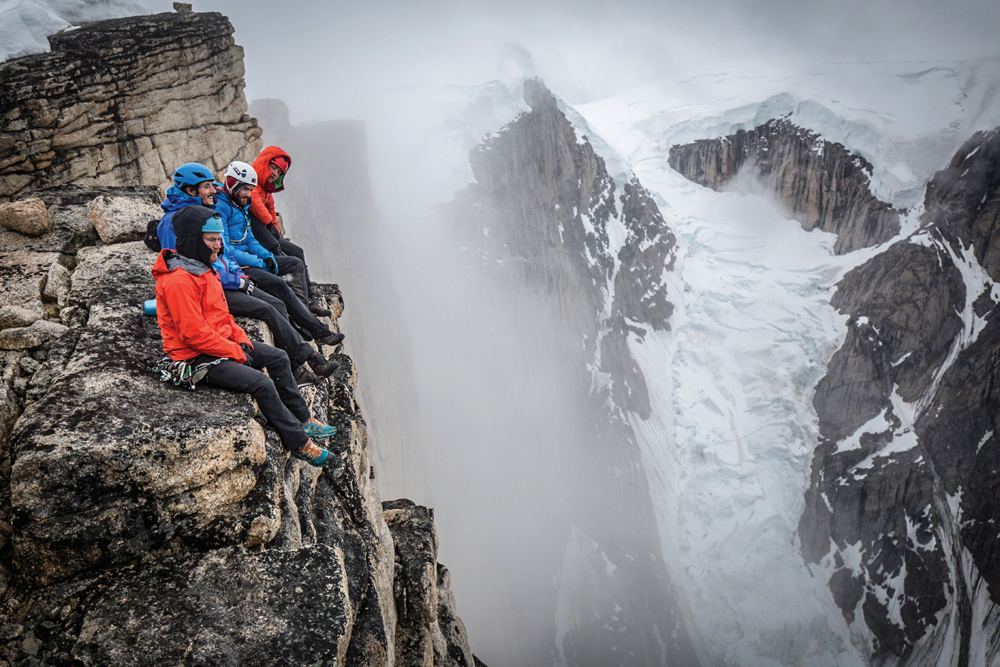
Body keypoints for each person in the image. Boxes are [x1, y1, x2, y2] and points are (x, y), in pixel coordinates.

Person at [152, 205, 336, 467]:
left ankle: (304, 420)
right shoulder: (179, 281)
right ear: (194, 239)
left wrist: (240, 339)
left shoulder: (203, 270)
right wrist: (235, 351)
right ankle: (301, 444)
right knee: (261, 384)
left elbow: (222, 315)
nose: (219, 245)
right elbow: (193, 334)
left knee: (278, 357)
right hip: (195, 358)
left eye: (219, 239)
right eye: (212, 240)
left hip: (219, 343)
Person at [157, 162, 339, 380]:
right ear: (190, 190)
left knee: (276, 302)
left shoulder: (204, 213)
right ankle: (300, 366)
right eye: (207, 186)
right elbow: (185, 266)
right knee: (269, 308)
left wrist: (240, 275)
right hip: (209, 292)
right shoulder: (174, 222)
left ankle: (309, 357)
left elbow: (223, 255)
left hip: (224, 283)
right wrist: (238, 280)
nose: (214, 190)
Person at [214, 160, 344, 348]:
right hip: (239, 266)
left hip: (251, 260)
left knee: (293, 263)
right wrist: (259, 261)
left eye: (250, 190)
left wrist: (266, 256)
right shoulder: (221, 207)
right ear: (233, 184)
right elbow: (226, 249)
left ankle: (302, 312)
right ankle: (318, 331)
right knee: (278, 285)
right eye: (245, 189)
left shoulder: (240, 206)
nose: (248, 195)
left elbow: (249, 239)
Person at [247, 146, 328, 315]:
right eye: (274, 167)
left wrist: (275, 229)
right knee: (294, 256)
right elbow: (254, 202)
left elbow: (270, 207)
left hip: (266, 234)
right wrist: (271, 226)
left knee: (297, 252)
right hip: (256, 238)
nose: (275, 173)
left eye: (280, 172)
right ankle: (304, 306)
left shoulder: (266, 189)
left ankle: (309, 298)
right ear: (264, 163)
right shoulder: (251, 181)